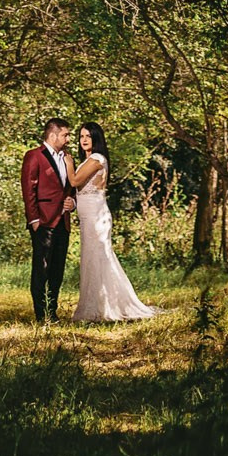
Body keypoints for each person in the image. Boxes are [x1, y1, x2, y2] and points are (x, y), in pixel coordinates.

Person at [68, 121, 161, 322]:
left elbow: (74, 181)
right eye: (81, 136)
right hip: (87, 215)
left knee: (99, 258)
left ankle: (107, 307)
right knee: (91, 259)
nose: (84, 140)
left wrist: (67, 162)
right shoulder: (87, 160)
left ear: (96, 139)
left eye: (88, 136)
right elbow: (82, 191)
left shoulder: (97, 158)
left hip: (96, 216)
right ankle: (94, 306)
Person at [21, 117, 77, 325]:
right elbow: (29, 190)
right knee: (41, 269)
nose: (68, 139)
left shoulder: (67, 158)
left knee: (57, 270)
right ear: (52, 135)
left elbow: (71, 187)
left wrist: (73, 203)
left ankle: (52, 313)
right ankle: (41, 315)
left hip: (63, 222)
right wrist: (34, 220)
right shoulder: (34, 156)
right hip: (43, 222)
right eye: (65, 135)